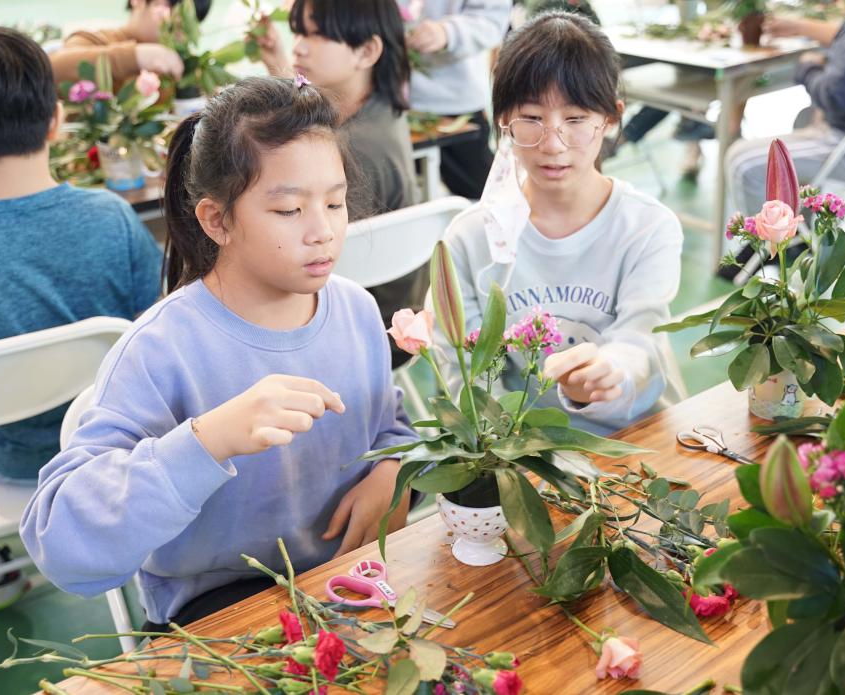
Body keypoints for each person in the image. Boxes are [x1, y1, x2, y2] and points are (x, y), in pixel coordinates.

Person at [20, 77, 418, 630]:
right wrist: (208, 441)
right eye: (288, 211)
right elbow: (60, 544)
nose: (323, 231)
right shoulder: (160, 350)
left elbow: (387, 423)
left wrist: (393, 468)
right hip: (220, 609)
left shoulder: (352, 309)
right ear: (217, 220)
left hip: (345, 584)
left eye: (334, 202)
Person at [0, 26, 162, 612]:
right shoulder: (112, 218)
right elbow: (156, 328)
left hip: (1, 455)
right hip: (108, 442)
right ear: (57, 120)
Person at [436, 11, 685, 437]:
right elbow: (461, 369)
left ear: (609, 118)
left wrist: (611, 372)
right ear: (503, 121)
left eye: (574, 120)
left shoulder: (648, 227)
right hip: (525, 452)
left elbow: (641, 338)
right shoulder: (472, 237)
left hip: (636, 437)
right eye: (531, 119)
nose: (553, 144)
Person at [258, 0, 422, 366]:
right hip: (385, 315)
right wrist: (278, 66)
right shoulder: (375, 113)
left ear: (367, 50)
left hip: (365, 333)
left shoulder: (355, 151)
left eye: (315, 35)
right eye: (298, 31)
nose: (299, 45)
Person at [727, 0, 845, 217]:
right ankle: (801, 227)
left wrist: (808, 68)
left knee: (742, 163)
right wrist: (804, 29)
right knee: (806, 117)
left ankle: (780, 247)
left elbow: (835, 97)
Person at [399, 0, 513, 199]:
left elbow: (493, 21)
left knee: (488, 197)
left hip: (456, 102)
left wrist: (448, 32)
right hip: (392, 103)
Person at [49, 0, 212, 88]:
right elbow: (53, 69)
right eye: (173, 8)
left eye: (192, 21)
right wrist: (136, 56)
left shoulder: (180, 68)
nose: (180, 31)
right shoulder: (94, 40)